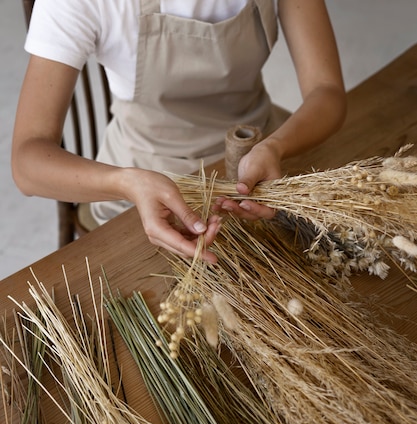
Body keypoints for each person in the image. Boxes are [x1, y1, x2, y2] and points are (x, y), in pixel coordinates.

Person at [12, 0, 346, 264]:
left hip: (266, 160)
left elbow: (326, 90)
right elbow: (27, 162)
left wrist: (275, 147)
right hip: (147, 181)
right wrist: (126, 183)